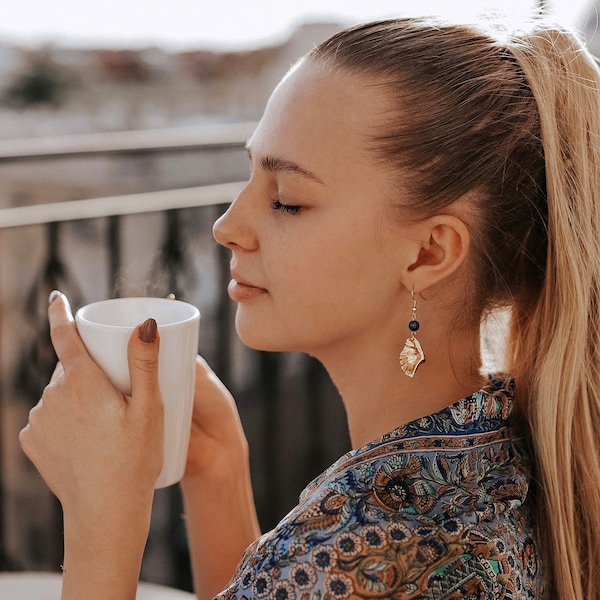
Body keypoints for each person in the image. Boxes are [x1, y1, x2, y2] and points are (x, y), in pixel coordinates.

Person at [18, 15, 600, 600]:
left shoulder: (365, 552)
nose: (226, 226)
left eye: (287, 201)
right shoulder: (506, 463)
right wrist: (217, 475)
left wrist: (99, 520)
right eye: (249, 174)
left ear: (428, 252)